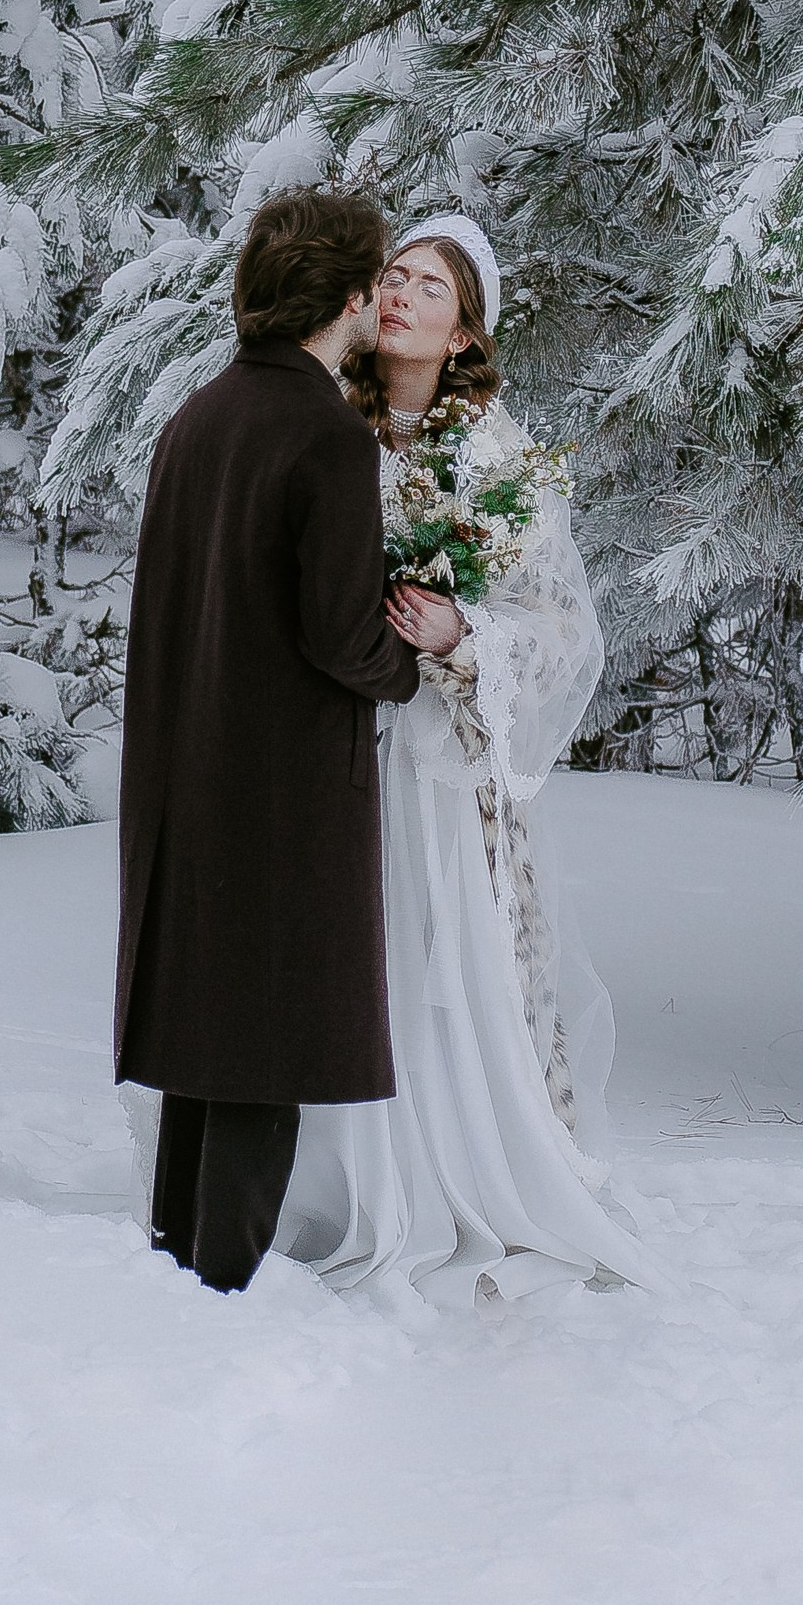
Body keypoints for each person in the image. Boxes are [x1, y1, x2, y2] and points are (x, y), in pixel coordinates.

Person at [279, 213, 645, 1311]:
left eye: (430, 288)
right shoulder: (315, 424)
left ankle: (452, 1178)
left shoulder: (492, 457)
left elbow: (563, 630)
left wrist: (460, 638)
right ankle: (326, 1183)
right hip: (327, 744)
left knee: (430, 953)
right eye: (392, 277)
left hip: (434, 763)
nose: (400, 297)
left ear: (463, 329)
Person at [114, 185, 460, 1292]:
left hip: (187, 763)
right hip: (278, 780)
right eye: (379, 283)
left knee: (205, 1040)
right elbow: (339, 635)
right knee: (262, 1042)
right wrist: (412, 659)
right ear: (351, 297)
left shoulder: (199, 415)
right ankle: (220, 1281)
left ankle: (174, 1259)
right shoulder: (322, 433)